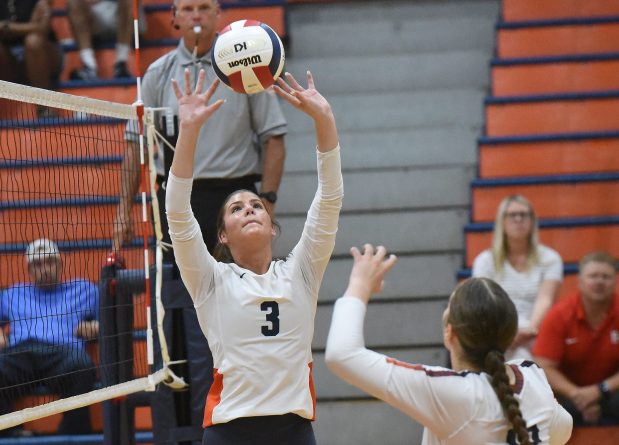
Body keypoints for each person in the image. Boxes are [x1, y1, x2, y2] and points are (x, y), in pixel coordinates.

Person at [166, 68, 342, 444]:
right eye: (236, 208)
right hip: (230, 432)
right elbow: (178, 215)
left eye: (256, 205)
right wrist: (190, 132)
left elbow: (329, 198)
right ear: (222, 236)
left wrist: (324, 119)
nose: (248, 209)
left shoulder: (301, 272)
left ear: (271, 224)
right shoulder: (210, 281)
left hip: (293, 431)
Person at [325, 244, 573, 445]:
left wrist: (359, 285)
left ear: (450, 333)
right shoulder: (531, 374)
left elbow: (342, 354)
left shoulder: (451, 391)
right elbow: (563, 429)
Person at [112, 0, 286, 257]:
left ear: (218, 14)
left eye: (204, 8)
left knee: (242, 288)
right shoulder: (158, 74)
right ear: (175, 17)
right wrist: (123, 210)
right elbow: (137, 145)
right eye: (188, 9)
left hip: (235, 195)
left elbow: (274, 137)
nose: (196, 16)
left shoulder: (245, 67)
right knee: (178, 290)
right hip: (177, 200)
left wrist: (268, 201)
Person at [0, 238, 99, 437]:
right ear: (29, 270)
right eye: (37, 264)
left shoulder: (84, 289)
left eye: (49, 262)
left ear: (60, 264)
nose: (44, 269)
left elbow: (109, 322)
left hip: (63, 355)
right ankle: (10, 432)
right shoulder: (12, 294)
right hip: (22, 354)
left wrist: (96, 327)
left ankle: (72, 437)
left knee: (83, 366)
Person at [472, 194, 563, 360]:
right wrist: (506, 335)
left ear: (532, 221)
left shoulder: (551, 258)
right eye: (512, 215)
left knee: (523, 356)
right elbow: (485, 303)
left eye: (524, 214)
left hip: (537, 331)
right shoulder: (484, 261)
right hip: (497, 331)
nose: (519, 219)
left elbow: (546, 300)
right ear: (502, 221)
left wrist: (529, 330)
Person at [533, 251, 619, 426]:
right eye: (593, 276)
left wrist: (600, 390)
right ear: (579, 281)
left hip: (613, 391)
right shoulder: (559, 314)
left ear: (615, 281)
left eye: (606, 276)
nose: (599, 281)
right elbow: (544, 365)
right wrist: (577, 395)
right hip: (569, 394)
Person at [0, 0, 63, 117]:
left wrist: (7, 27)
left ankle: (45, 108)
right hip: (10, 63)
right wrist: (29, 27)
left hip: (45, 55)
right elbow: (36, 27)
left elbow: (42, 28)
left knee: (33, 42)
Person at [67, 0, 138, 80]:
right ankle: (89, 66)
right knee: (74, 2)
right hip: (94, 12)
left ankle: (121, 64)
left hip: (122, 11)